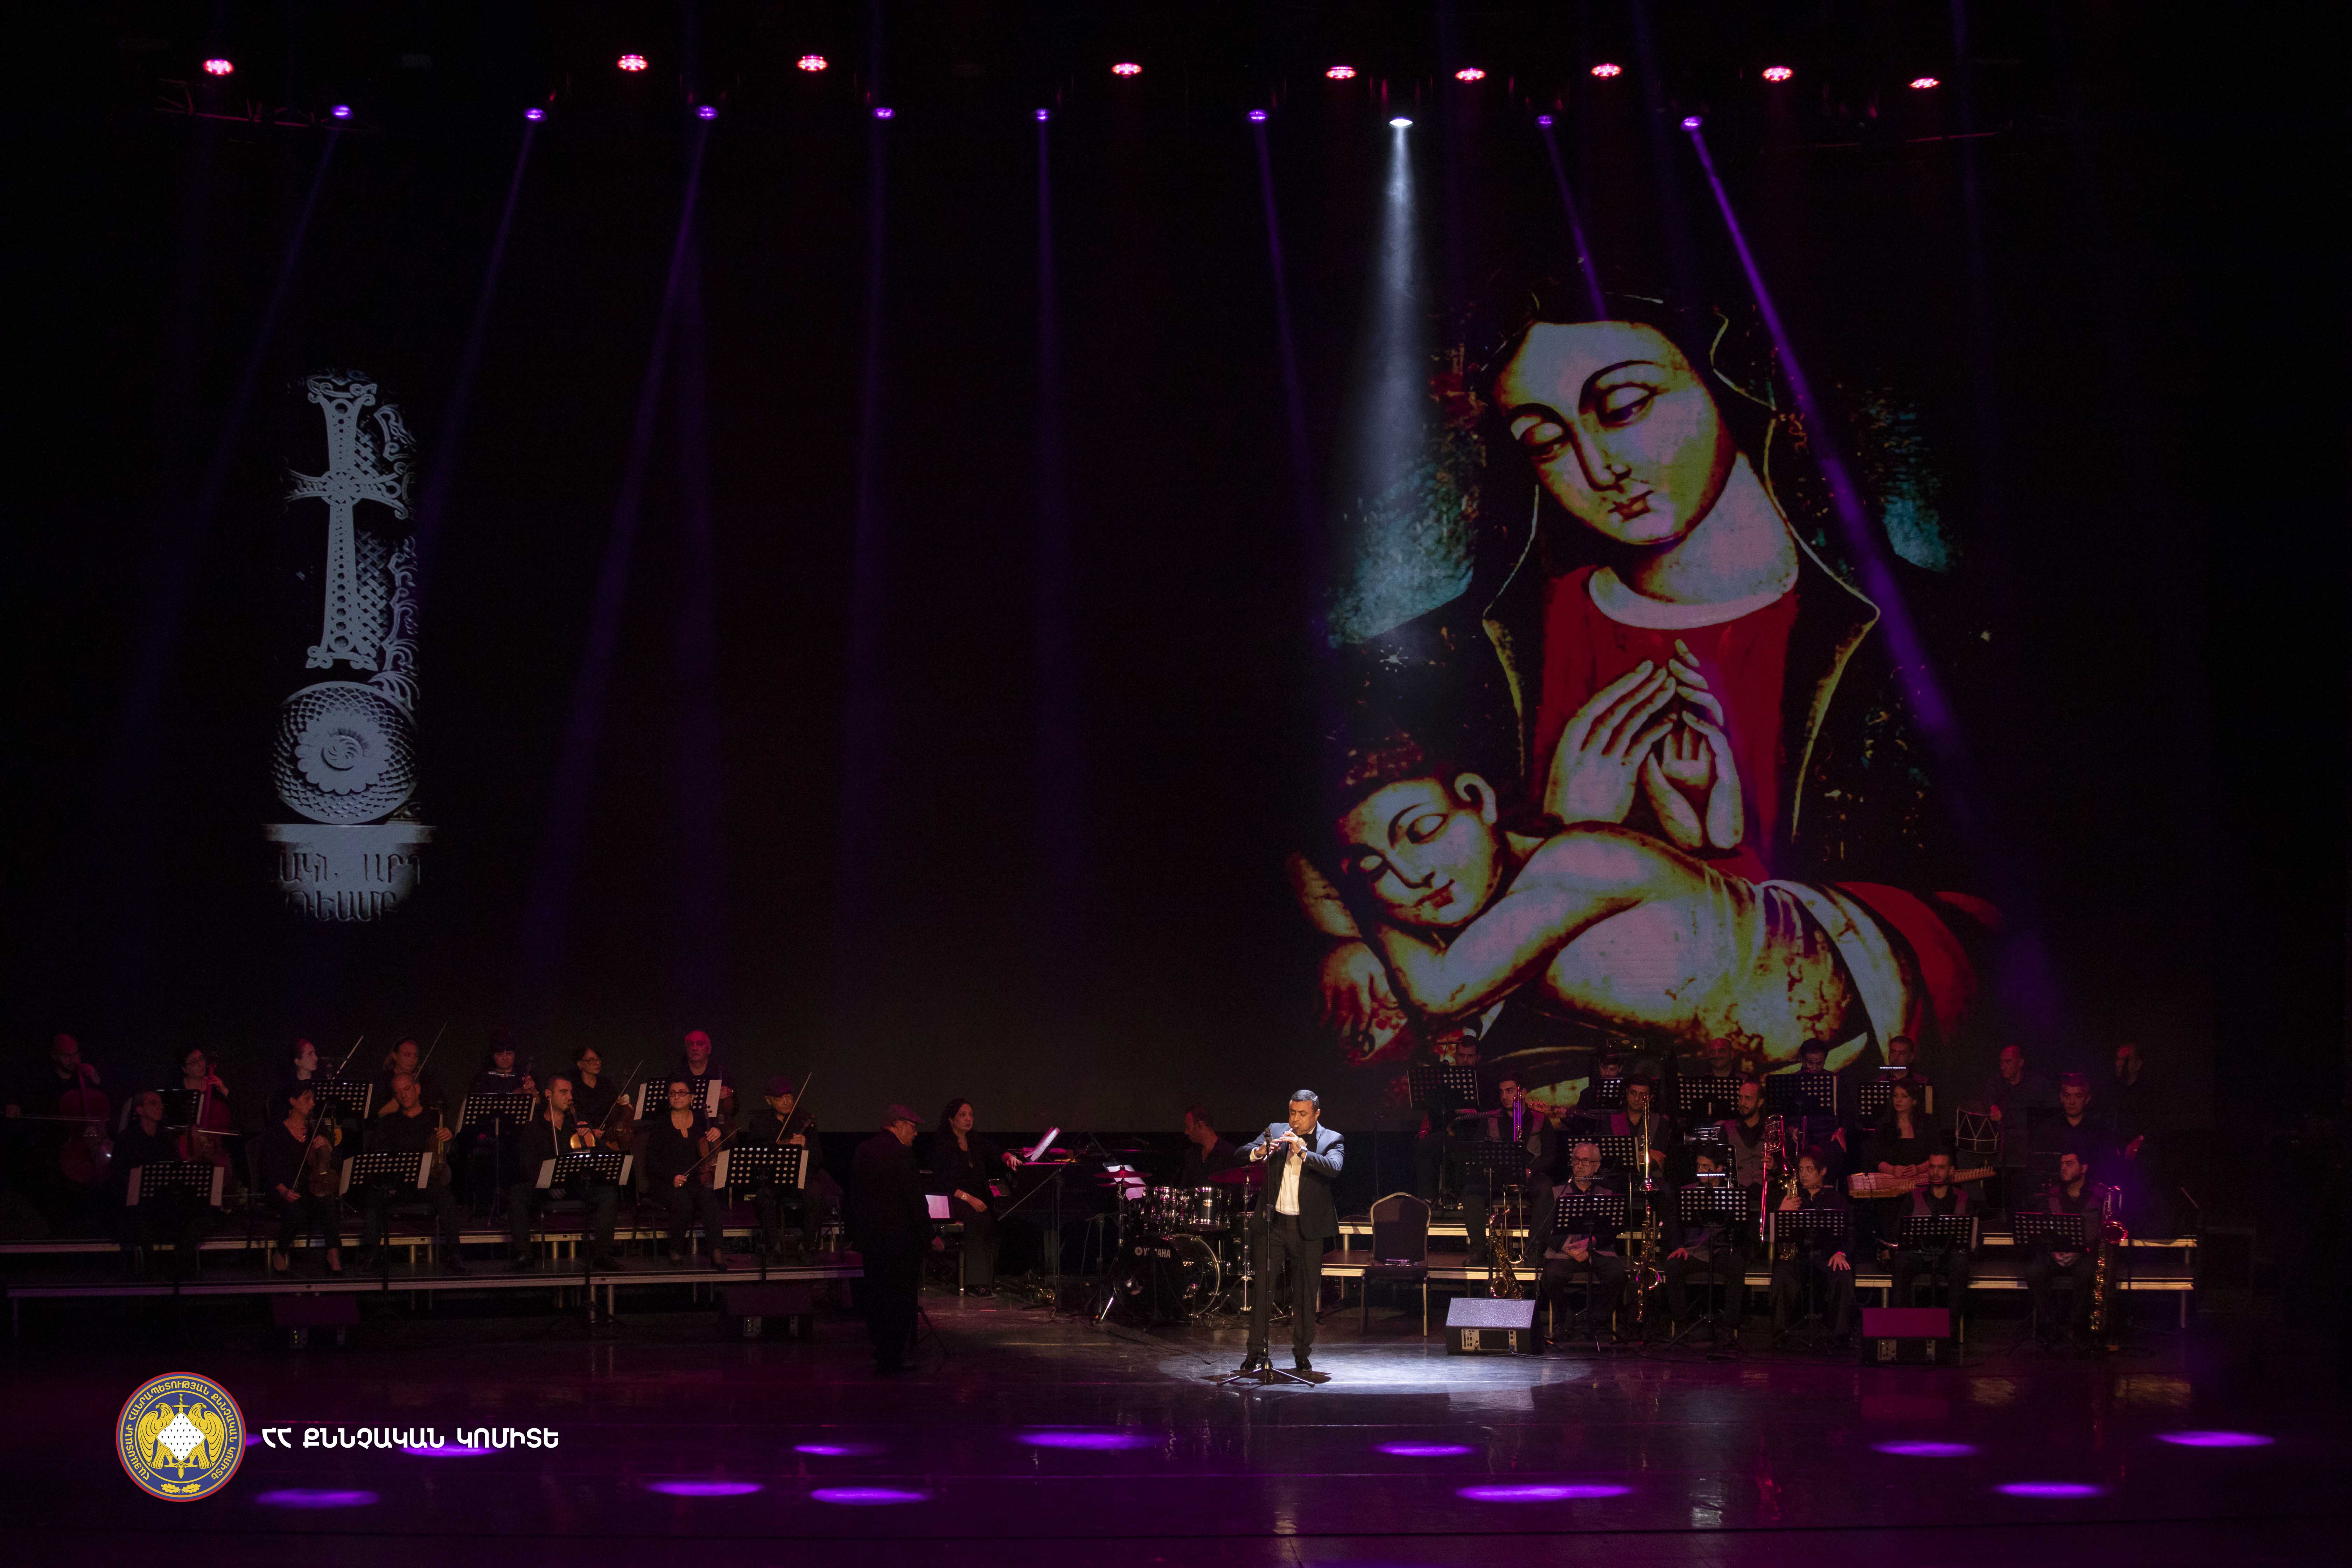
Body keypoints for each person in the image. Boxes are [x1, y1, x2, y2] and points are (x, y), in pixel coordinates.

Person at [1300, 290, 1994, 1072]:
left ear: (1731, 384)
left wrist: (1636, 852)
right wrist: (1349, 936)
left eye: (1626, 407)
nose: (1600, 469)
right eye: (1545, 442)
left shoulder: (1932, 639)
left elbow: (2007, 929)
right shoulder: (1476, 651)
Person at [1237, 1091, 1345, 1378]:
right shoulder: (1275, 1131)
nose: (1295, 1120)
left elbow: (1335, 1167)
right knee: (1263, 1290)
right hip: (1272, 1225)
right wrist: (1260, 1152)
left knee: (1306, 1294)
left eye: (1302, 1114)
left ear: (1316, 1114)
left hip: (1307, 1229)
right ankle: (1255, 1351)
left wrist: (1303, 1151)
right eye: (1292, 1113)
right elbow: (1241, 1152)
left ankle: (1302, 1354)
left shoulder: (1331, 1139)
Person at [848, 1105, 941, 1375]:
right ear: (898, 1125)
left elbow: (855, 1196)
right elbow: (915, 1201)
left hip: (872, 1240)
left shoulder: (863, 1150)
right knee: (900, 1300)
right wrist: (930, 1236)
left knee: (877, 1298)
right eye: (913, 1128)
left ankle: (882, 1352)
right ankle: (896, 1356)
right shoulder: (902, 1154)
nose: (916, 1134)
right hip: (900, 1241)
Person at [505, 1074, 622, 1270]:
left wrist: (590, 1138)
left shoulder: (575, 1126)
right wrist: (547, 1184)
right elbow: (528, 1165)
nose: (570, 1097)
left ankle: (602, 1254)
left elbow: (604, 1156)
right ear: (548, 1094)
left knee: (608, 1193)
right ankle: (524, 1254)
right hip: (544, 1186)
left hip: (574, 1184)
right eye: (564, 1092)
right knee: (517, 1194)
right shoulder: (533, 1127)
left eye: (571, 1092)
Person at [359, 1072, 466, 1270]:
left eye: (407, 1089)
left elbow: (453, 1156)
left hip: (427, 1182)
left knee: (446, 1198)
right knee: (374, 1198)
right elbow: (377, 1156)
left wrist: (449, 1140)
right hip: (397, 1184)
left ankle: (455, 1253)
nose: (403, 1095)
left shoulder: (436, 1119)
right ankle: (371, 1254)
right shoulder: (388, 1123)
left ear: (417, 1089)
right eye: (398, 1092)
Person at [1464, 1074, 1559, 1264]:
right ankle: (1479, 1250)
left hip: (1529, 1174)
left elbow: (1550, 1155)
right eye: (1502, 1092)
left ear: (1522, 1093)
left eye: (1510, 1091)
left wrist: (1531, 1170)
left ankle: (1534, 1251)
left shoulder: (1540, 1119)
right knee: (1471, 1192)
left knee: (1546, 1189)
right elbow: (1477, 1151)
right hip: (1499, 1175)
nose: (1505, 1097)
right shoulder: (1491, 1119)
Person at [111, 1089, 204, 1278]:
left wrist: (193, 1152)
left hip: (163, 1202)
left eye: (161, 1103)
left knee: (201, 1213)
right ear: (139, 1110)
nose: (160, 1107)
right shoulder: (127, 1139)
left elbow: (176, 1171)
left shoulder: (165, 1138)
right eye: (153, 1103)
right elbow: (119, 1178)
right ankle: (151, 1269)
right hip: (138, 1205)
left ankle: (179, 1265)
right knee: (139, 1218)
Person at [1769, 1148, 1855, 1345]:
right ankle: (1781, 1334)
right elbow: (1773, 1235)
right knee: (1782, 1274)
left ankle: (1840, 1335)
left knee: (1843, 1275)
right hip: (1798, 1256)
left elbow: (1850, 1234)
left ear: (1822, 1171)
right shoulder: (1791, 1198)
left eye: (1810, 1169)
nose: (1804, 1175)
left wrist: (1841, 1253)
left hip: (1826, 1257)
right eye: (1801, 1170)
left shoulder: (1837, 1199)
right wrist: (1782, 1212)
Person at [639, 1079, 727, 1270]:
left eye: (682, 1093)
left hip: (695, 1178)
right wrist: (672, 1177)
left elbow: (715, 1144)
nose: (677, 1097)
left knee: (710, 1200)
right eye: (673, 1093)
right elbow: (652, 1162)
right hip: (667, 1181)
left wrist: (718, 1132)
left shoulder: (702, 1121)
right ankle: (676, 1250)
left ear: (692, 1097)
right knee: (682, 1202)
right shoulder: (661, 1124)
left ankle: (716, 1251)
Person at [1542, 1141, 1628, 1337]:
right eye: (1576, 1160)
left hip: (1597, 1249)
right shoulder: (1556, 1193)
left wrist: (1591, 1243)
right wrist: (1568, 1247)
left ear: (1597, 1166)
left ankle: (1598, 1319)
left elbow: (1612, 1230)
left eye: (1586, 1161)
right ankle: (1566, 1318)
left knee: (1617, 1275)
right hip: (1566, 1251)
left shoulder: (1607, 1193)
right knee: (1551, 1276)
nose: (1580, 1166)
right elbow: (1544, 1229)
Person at [930, 1098, 1017, 1291]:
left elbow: (996, 1152)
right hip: (953, 1198)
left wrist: (1009, 1157)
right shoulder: (944, 1145)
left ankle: (987, 1279)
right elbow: (944, 1183)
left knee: (996, 1218)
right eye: (963, 1115)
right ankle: (975, 1283)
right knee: (978, 1220)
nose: (969, 1119)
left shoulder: (974, 1140)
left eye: (971, 1115)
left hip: (975, 1198)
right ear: (951, 1120)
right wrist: (969, 1199)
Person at [1664, 1149, 1747, 1349]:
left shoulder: (1733, 1192)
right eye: (1699, 1166)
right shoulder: (1688, 1191)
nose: (1701, 1171)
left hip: (1720, 1250)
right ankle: (1681, 1326)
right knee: (1673, 1267)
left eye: (1706, 1167)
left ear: (1720, 1169)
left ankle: (1730, 1328)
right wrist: (1679, 1247)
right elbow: (1674, 1225)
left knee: (1737, 1265)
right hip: (1693, 1250)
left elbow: (1742, 1230)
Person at [256, 1086, 343, 1275]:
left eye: (313, 1099)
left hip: (313, 1185)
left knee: (328, 1202)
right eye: (307, 1099)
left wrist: (326, 1144)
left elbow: (333, 1158)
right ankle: (281, 1251)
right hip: (286, 1188)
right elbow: (269, 1170)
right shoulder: (278, 1132)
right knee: (296, 1209)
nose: (313, 1104)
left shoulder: (316, 1128)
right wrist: (284, 1191)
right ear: (293, 1102)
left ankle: (333, 1253)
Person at [1889, 1150, 1974, 1342]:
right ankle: (1903, 1330)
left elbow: (1975, 1236)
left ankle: (1949, 1332)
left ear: (1951, 1170)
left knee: (1961, 1264)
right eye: (1932, 1167)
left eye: (1941, 1168)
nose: (1935, 1172)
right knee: (1901, 1262)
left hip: (1949, 1256)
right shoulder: (1914, 1196)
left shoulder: (1963, 1198)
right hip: (1919, 1255)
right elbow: (1898, 1230)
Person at [2024, 1150, 2104, 1350]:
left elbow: (2102, 1231)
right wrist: (2053, 1251)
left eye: (2069, 1164)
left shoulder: (2099, 1194)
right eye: (2062, 1164)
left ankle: (2075, 1328)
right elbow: (2041, 1227)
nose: (2063, 1168)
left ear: (2083, 1168)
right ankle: (2050, 1325)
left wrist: (2081, 1251)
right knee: (2034, 1271)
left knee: (2087, 1273)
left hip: (2085, 1253)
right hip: (2056, 1252)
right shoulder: (2052, 1194)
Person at [744, 1076, 826, 1260]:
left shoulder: (805, 1120)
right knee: (763, 1196)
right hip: (772, 1178)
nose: (787, 1102)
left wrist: (805, 1145)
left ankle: (807, 1246)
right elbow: (754, 1155)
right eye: (780, 1099)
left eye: (789, 1097)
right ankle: (773, 1246)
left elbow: (819, 1159)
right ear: (769, 1101)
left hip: (799, 1177)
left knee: (816, 1193)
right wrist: (777, 1147)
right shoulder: (760, 1123)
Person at [1858, 1077, 1939, 1249]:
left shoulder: (1927, 1124)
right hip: (1892, 1184)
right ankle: (1890, 1248)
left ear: (1915, 1101)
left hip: (1920, 1182)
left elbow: (1938, 1154)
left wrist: (1919, 1169)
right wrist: (1892, 1170)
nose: (1899, 1100)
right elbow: (1873, 1158)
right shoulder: (1885, 1125)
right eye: (1896, 1096)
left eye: (1904, 1096)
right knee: (1888, 1206)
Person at [462, 1036, 536, 1210]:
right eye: (500, 1054)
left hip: (517, 1132)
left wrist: (532, 1091)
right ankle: (486, 1204)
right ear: (493, 1056)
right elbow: (474, 1108)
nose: (505, 1058)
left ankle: (515, 1203)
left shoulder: (523, 1076)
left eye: (509, 1054)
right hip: (489, 1132)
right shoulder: (483, 1078)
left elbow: (538, 1105)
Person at [568, 1046, 632, 1145]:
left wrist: (624, 1103)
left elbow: (617, 1111)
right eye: (591, 1060)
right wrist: (591, 1131)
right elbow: (573, 1119)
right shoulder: (574, 1087)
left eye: (598, 1059)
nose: (598, 1063)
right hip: (585, 1139)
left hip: (609, 1137)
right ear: (580, 1064)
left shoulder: (606, 1084)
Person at [371, 1038, 446, 1120]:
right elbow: (374, 1116)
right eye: (407, 1055)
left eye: (416, 1055)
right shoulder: (382, 1081)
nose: (413, 1059)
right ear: (395, 1056)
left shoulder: (425, 1079)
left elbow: (443, 1105)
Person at [1719, 1077, 1770, 1188]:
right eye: (1740, 1098)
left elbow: (1783, 1165)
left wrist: (1774, 1165)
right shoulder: (1727, 1128)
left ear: (1760, 1102)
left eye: (1748, 1098)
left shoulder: (1772, 1127)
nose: (1743, 1103)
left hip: (1768, 1189)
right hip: (1738, 1188)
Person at [678, 1030, 737, 1127]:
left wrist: (729, 1093)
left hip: (715, 1125)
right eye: (691, 1045)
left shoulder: (720, 1073)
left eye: (699, 1044)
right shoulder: (679, 1074)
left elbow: (735, 1105)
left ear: (709, 1049)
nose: (695, 1048)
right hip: (684, 1122)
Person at [1177, 1105, 1242, 1185]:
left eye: (1188, 1127)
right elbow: (1184, 1188)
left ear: (1200, 1125)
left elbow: (1233, 1189)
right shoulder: (1191, 1154)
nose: (1186, 1132)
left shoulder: (1229, 1153)